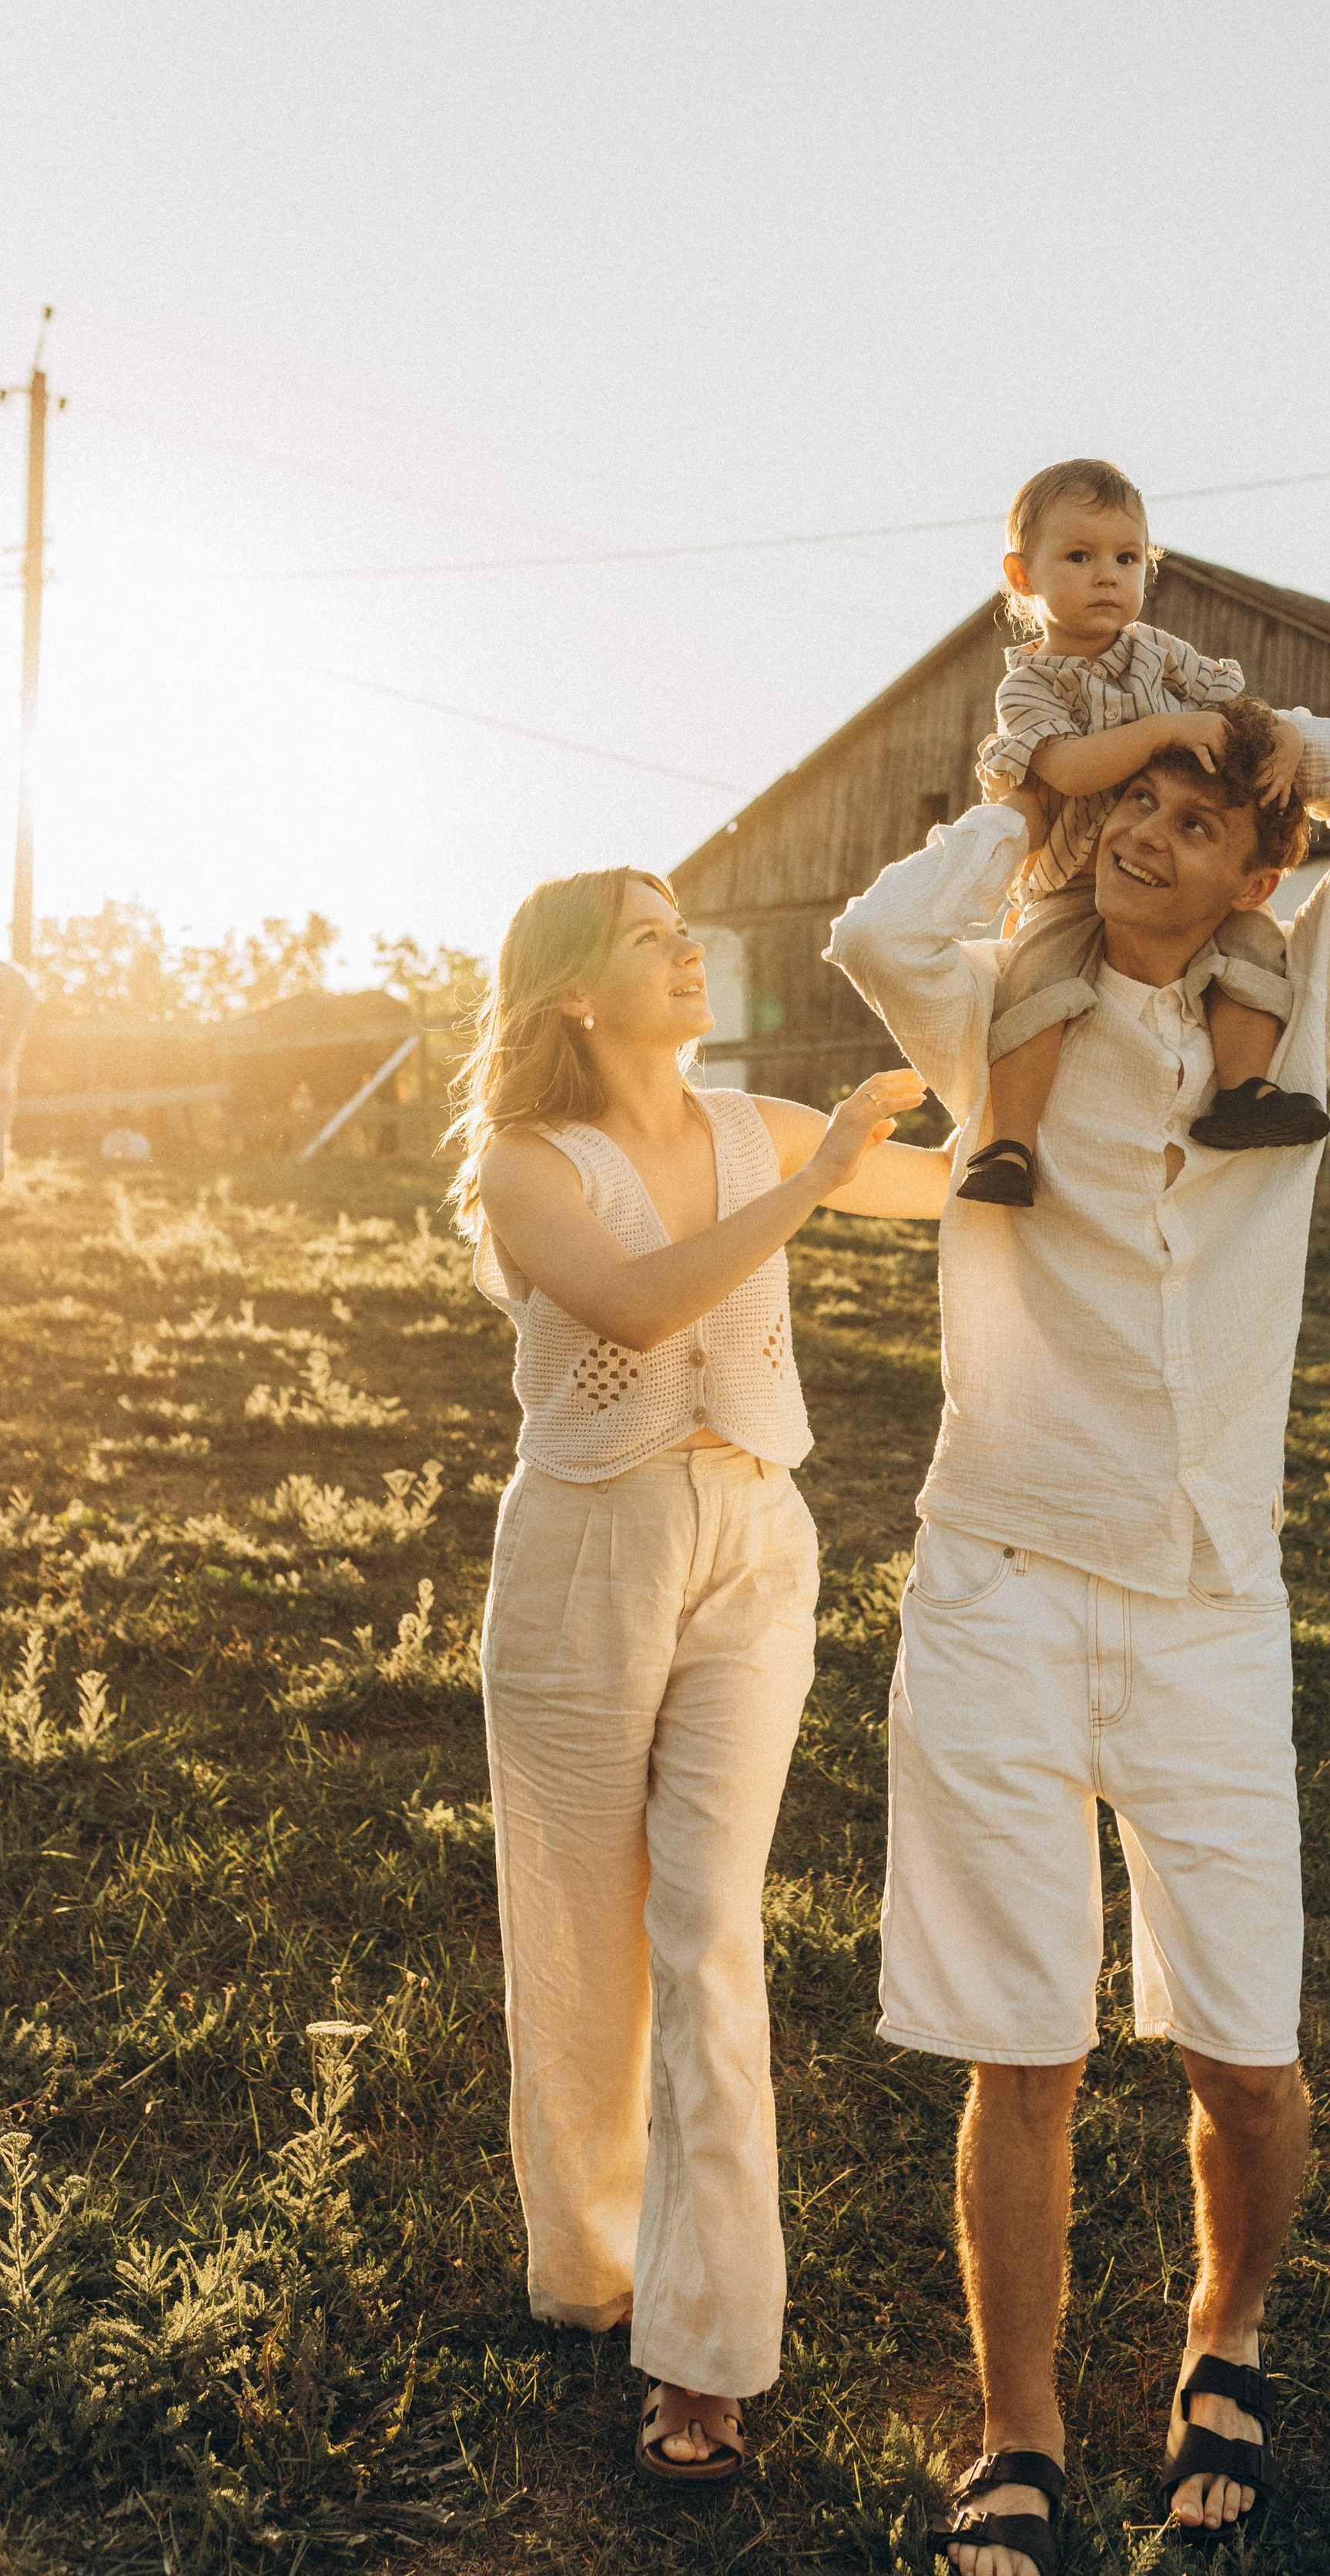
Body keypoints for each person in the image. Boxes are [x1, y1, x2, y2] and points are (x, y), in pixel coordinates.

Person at [827, 701, 1330, 2565]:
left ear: (1260, 870)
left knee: (1243, 2057)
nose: (1150, 832)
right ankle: (1016, 2437)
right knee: (1018, 2044)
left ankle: (1222, 2333)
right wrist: (1053, 782)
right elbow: (868, 939)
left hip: (1208, 1598)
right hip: (1002, 1576)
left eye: (1193, 823)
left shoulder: (1307, 982)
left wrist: (1228, 727)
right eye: (1138, 809)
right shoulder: (995, 1004)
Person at [448, 864, 948, 2488]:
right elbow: (646, 1298)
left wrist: (1096, 1066)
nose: (688, 954)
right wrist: (820, 1179)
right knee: (582, 1951)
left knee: (708, 1932)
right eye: (652, 939)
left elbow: (954, 1190)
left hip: (753, 1542)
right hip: (584, 1556)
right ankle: (589, 2265)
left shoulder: (765, 1124)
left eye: (687, 932)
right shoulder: (525, 1166)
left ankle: (703, 2354)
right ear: (573, 989)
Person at [960, 457, 1328, 1210]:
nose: (1106, 576)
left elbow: (1236, 704)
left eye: (1126, 558)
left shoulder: (1157, 652)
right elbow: (1064, 769)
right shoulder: (1028, 685)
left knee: (1256, 945)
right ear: (1022, 576)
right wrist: (1161, 726)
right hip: (1070, 882)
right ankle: (1009, 1145)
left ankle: (1244, 1094)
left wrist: (1285, 736)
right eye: (1079, 556)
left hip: (1172, 875)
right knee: (1034, 981)